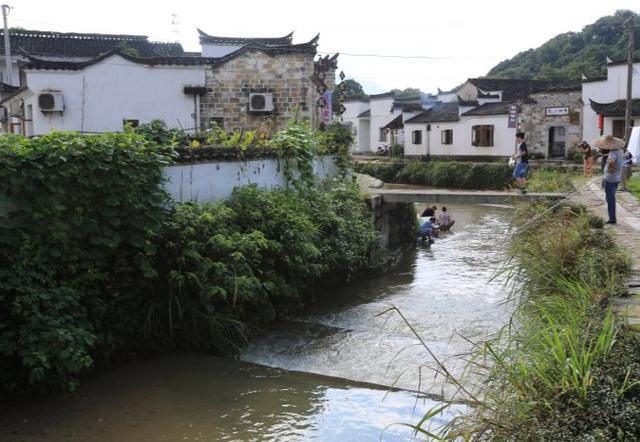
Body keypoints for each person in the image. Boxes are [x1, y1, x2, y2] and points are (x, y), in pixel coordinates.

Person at [593, 135, 625, 224]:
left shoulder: (613, 153)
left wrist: (608, 171)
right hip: (616, 178)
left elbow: (612, 164)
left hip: (610, 179)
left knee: (610, 199)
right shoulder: (618, 151)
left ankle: (612, 219)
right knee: (611, 198)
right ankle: (612, 217)